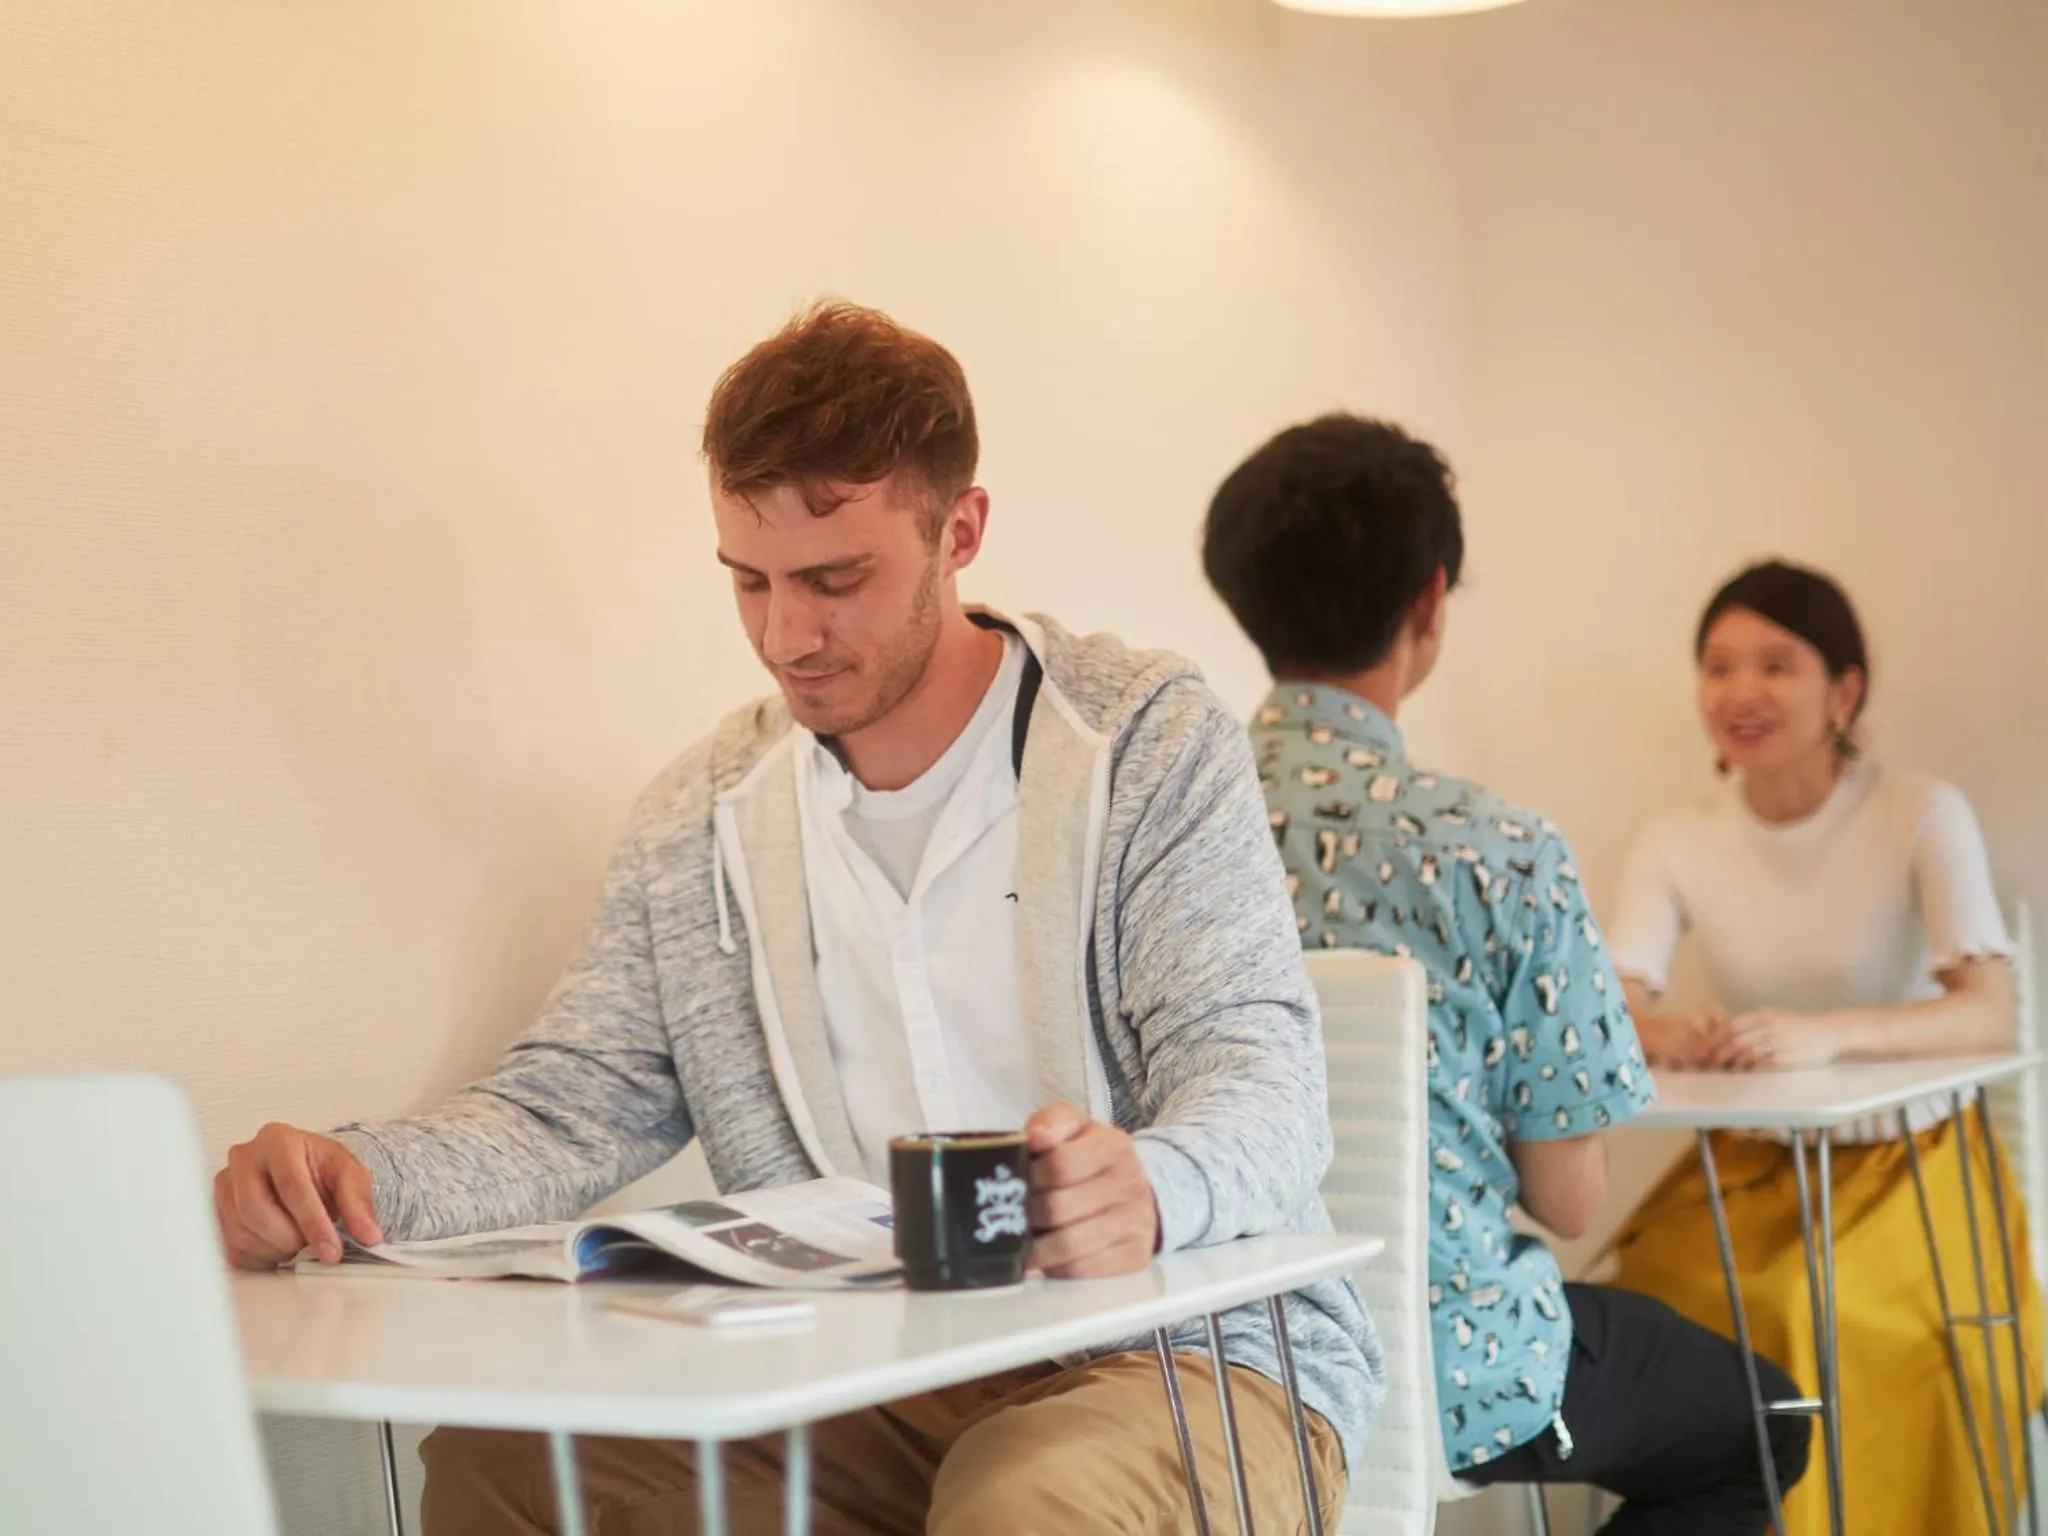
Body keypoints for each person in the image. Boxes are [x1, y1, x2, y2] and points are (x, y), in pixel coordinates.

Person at [210, 302, 1379, 1535]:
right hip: (870, 1366)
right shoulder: (702, 815)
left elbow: (1265, 1089)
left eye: (835, 581)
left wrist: (1144, 1182)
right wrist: (353, 1178)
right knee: (509, 1466)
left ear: (959, 529)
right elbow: (571, 1104)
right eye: (749, 581)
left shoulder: (1141, 739)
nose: (785, 635)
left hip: (1183, 1354)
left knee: (1024, 1506)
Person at [1204, 413, 1810, 1532]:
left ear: (1239, 598)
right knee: (1767, 1422)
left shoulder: (1169, 827)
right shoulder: (1495, 846)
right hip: (1451, 1368)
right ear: (1428, 603)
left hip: (1212, 1358)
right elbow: (1569, 1200)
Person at [1607, 558, 2042, 1536]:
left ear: (1842, 689)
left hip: (1912, 1168)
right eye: (1716, 668)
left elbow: (1985, 1012)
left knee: (1818, 1311)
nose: (1740, 693)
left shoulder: (1919, 811)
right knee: (1650, 1301)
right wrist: (1674, 1030)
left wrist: (1821, 1038)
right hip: (1746, 1168)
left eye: (1775, 664)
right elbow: (1607, 1011)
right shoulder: (1675, 838)